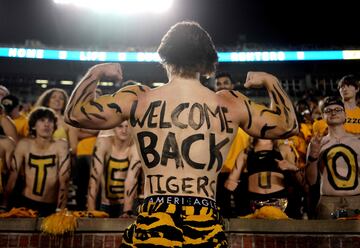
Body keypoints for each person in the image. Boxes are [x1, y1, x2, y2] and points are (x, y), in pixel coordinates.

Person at [65, 21, 298, 247]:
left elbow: (74, 114)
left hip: (153, 217)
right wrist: (271, 82)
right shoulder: (229, 103)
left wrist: (95, 73)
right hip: (204, 219)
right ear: (207, 65)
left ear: (164, 59)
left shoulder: (139, 98)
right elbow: (287, 125)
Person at [1, 107, 71, 216]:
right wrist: (3, 206)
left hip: (50, 205)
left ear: (54, 126)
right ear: (33, 125)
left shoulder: (61, 145)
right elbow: (12, 177)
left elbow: (64, 179)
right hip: (26, 203)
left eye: (50, 121)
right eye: (42, 120)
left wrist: (60, 209)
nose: (46, 124)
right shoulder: (24, 144)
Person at [306, 97, 360, 219]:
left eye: (337, 109)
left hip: (357, 201)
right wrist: (313, 156)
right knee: (328, 238)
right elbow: (310, 181)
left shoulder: (357, 142)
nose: (333, 112)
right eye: (328, 110)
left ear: (345, 115)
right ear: (323, 116)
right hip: (328, 203)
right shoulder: (316, 143)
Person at [224, 138, 303, 218]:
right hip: (254, 205)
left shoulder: (284, 149)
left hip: (281, 203)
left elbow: (301, 182)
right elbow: (231, 181)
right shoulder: (245, 152)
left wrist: (292, 168)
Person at [87, 120, 142, 217]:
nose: (124, 130)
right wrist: (91, 209)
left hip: (129, 204)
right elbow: (95, 177)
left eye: (127, 126)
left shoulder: (136, 146)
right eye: (120, 126)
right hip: (106, 204)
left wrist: (126, 211)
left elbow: (132, 179)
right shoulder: (103, 143)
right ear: (113, 128)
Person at [214, 72, 250, 217]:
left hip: (243, 171)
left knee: (244, 215)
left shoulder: (244, 106)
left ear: (232, 85)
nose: (222, 86)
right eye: (219, 83)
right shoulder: (211, 109)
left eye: (225, 82)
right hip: (219, 171)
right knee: (221, 215)